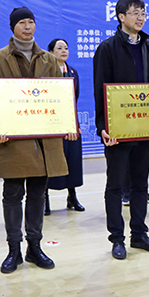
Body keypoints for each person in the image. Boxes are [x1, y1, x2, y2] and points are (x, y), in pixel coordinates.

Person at [0, 6, 77, 274]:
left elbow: (61, 96)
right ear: (12, 27)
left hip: (44, 138)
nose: (27, 27)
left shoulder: (48, 59)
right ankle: (13, 250)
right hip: (12, 138)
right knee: (12, 194)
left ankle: (34, 247)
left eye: (31, 22)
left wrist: (68, 123)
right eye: (22, 22)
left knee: (37, 193)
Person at [93, 0, 149, 260]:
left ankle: (139, 234)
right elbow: (100, 91)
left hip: (145, 128)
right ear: (121, 17)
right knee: (115, 186)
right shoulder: (107, 48)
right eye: (135, 13)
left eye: (143, 13)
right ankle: (117, 238)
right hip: (118, 131)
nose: (140, 18)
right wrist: (103, 126)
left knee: (140, 185)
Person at [44, 38, 85, 214]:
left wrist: (74, 123)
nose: (64, 51)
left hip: (70, 122)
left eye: (66, 48)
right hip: (51, 122)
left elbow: (74, 99)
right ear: (50, 52)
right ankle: (44, 199)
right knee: (50, 161)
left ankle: (72, 197)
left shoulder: (73, 71)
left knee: (72, 159)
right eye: (59, 48)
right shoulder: (45, 71)